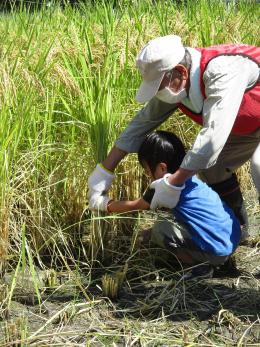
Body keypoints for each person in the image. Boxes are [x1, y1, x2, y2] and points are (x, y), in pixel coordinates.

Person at [88, 35, 260, 238]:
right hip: (248, 125)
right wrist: (105, 170)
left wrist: (173, 182)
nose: (159, 93)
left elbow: (213, 136)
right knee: (213, 169)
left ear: (181, 71)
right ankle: (238, 231)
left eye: (159, 86)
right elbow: (144, 121)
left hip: (244, 121)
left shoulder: (221, 71)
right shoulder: (176, 84)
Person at [89, 131, 241, 279]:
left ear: (162, 168)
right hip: (231, 239)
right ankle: (215, 259)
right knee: (161, 227)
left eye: (148, 171)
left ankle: (200, 268)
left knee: (161, 229)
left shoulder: (166, 186)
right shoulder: (190, 177)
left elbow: (136, 205)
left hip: (218, 250)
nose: (148, 176)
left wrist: (104, 204)